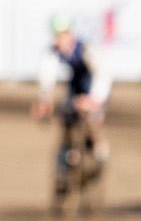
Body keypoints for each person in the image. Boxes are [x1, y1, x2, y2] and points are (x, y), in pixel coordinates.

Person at [31, 13, 111, 172]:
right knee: (65, 115)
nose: (57, 40)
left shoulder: (86, 49)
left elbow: (103, 73)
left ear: (70, 34)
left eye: (61, 35)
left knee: (89, 117)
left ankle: (99, 147)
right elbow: (47, 76)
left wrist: (95, 98)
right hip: (75, 86)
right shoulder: (52, 53)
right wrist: (44, 100)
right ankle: (69, 152)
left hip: (93, 87)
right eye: (55, 35)